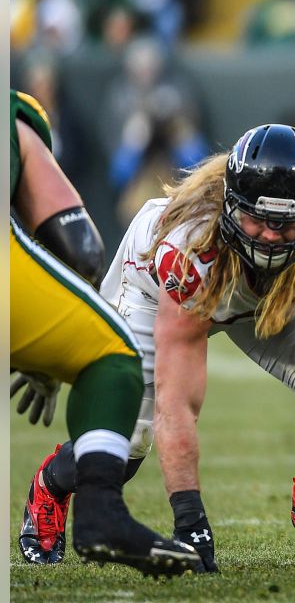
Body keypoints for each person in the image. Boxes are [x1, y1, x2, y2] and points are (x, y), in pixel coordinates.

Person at [18, 123, 295, 572]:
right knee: (126, 446)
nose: (269, 236)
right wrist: (190, 520)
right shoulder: (188, 247)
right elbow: (178, 403)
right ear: (230, 204)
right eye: (257, 219)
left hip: (274, 291)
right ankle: (51, 485)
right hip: (161, 292)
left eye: (286, 225)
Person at [10, 89, 199, 576]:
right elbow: (85, 243)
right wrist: (52, 347)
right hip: (158, 262)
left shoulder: (189, 152)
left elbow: (192, 168)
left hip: (195, 260)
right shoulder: (16, 116)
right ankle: (79, 500)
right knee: (117, 374)